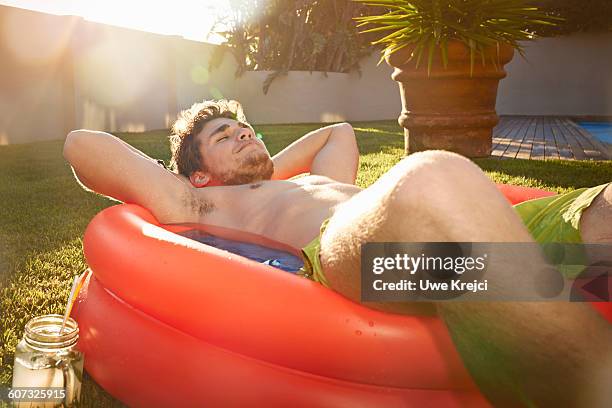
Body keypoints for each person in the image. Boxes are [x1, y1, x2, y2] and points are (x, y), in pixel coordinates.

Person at [64, 99, 611, 407]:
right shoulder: (201, 202)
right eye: (225, 136)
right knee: (431, 177)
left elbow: (339, 132)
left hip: (466, 240)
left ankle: (543, 290)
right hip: (365, 258)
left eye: (245, 127)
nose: (245, 133)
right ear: (199, 173)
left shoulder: (298, 180)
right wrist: (209, 182)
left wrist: (263, 166)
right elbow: (81, 144)